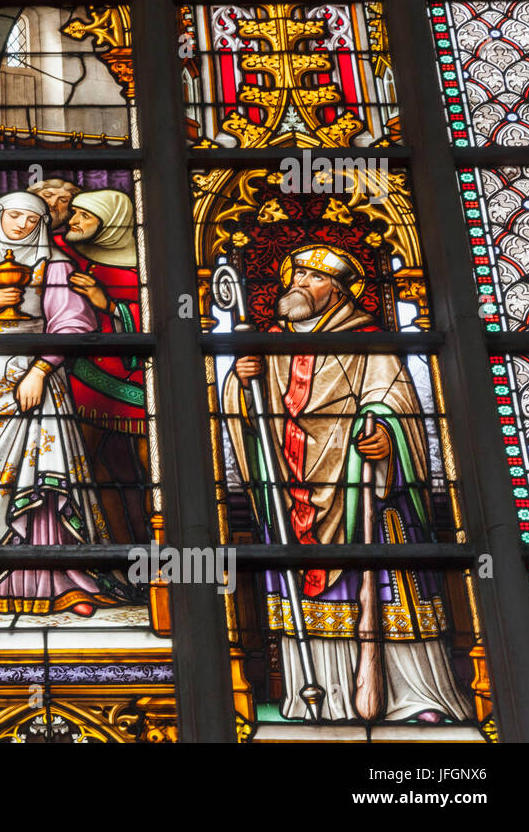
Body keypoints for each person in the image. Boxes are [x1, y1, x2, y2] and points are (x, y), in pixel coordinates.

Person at [223, 245, 473, 722]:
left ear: (336, 291)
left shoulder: (366, 339)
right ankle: (318, 696)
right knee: (306, 589)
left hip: (360, 487)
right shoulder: (270, 341)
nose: (299, 284)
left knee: (385, 583)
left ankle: (414, 694)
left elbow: (393, 398)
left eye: (313, 278)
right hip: (292, 485)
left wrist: (384, 433)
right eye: (296, 275)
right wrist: (241, 379)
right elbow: (250, 414)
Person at [0, 192, 130, 617]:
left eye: (32, 220)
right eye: (14, 215)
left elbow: (74, 323)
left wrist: (40, 370)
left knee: (41, 477)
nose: (21, 225)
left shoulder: (54, 265)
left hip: (32, 383)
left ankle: (59, 582)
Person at [61, 189, 148, 543]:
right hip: (88, 376)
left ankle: (161, 547)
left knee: (153, 469)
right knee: (83, 463)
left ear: (110, 224)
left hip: (141, 379)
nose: (74, 221)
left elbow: (166, 320)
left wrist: (109, 305)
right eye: (75, 214)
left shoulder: (145, 262)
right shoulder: (70, 254)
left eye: (84, 216)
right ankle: (112, 547)